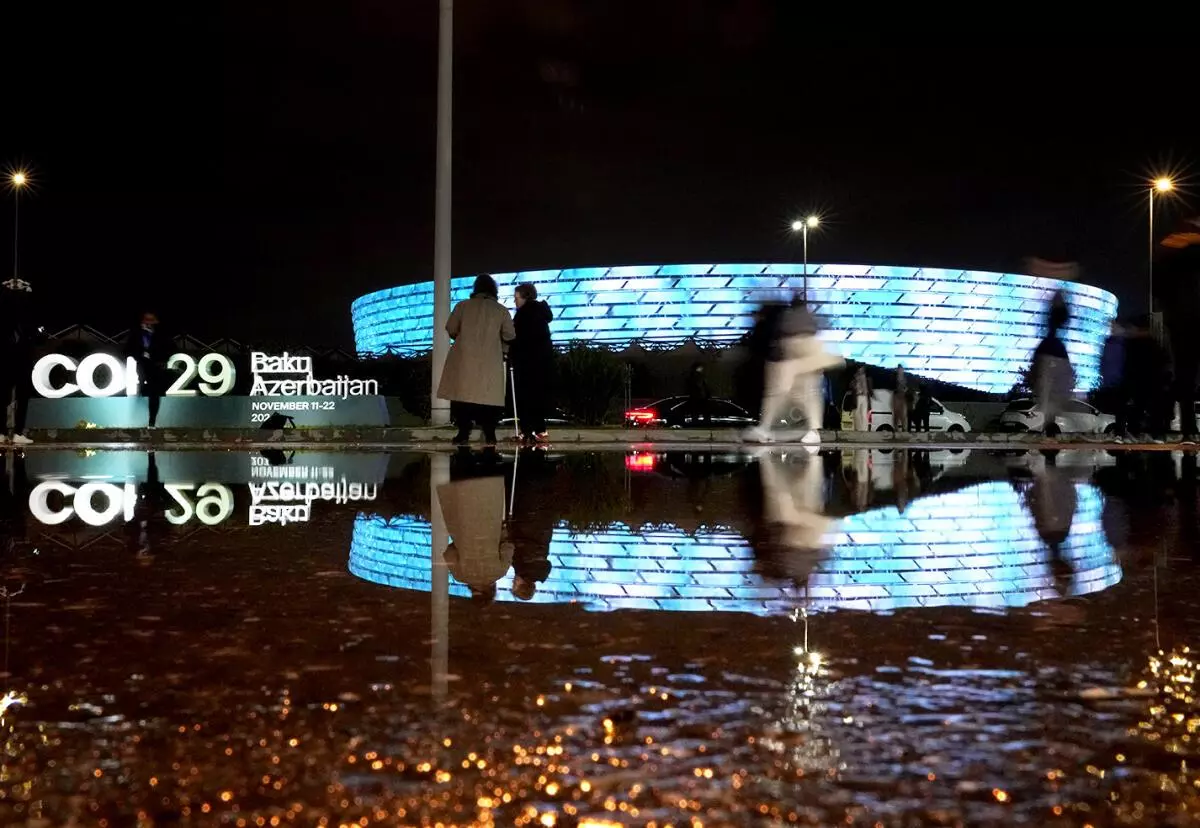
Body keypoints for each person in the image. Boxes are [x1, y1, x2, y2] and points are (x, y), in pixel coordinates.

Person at [742, 295, 842, 445]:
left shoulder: (788, 320)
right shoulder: (806, 320)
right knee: (810, 395)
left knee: (778, 393)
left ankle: (766, 428)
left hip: (792, 357)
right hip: (803, 357)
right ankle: (813, 431)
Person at [437, 274, 516, 446]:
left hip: (464, 358)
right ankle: (490, 434)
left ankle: (463, 433)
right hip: (490, 360)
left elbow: (451, 328)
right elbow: (510, 334)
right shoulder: (501, 310)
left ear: (476, 289)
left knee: (463, 397)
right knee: (489, 398)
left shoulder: (463, 306)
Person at [1155, 215, 1200, 441]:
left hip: (1180, 317)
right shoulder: (1188, 244)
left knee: (1185, 374)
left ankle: (1187, 429)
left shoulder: (1171, 245)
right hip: (1186, 315)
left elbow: (1159, 283)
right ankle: (1186, 427)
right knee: (1185, 375)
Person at [510, 282, 555, 444]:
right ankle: (541, 430)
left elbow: (517, 339)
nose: (515, 302)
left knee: (526, 397)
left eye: (516, 298)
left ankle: (527, 430)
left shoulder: (523, 315)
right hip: (542, 362)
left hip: (526, 362)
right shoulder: (541, 314)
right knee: (538, 396)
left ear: (525, 296)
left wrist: (511, 355)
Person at [0, 278, 42, 445]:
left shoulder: (27, 320)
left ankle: (18, 432)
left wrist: (28, 290)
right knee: (2, 395)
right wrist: (5, 289)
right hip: (6, 358)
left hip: (23, 358)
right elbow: (4, 308)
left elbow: (32, 312)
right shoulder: (5, 316)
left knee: (23, 396)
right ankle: (1, 432)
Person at [1030, 292, 1074, 437]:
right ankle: (1048, 434)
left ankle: (1048, 434)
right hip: (1051, 354)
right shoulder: (1052, 344)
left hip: (1051, 354)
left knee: (1049, 402)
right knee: (1049, 402)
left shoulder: (1052, 343)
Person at [124, 311, 171, 428]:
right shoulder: (136, 333)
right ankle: (140, 393)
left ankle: (152, 421)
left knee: (154, 392)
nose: (148, 323)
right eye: (146, 320)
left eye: (151, 321)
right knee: (143, 387)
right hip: (141, 365)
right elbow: (128, 348)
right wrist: (137, 356)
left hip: (155, 367)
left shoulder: (161, 335)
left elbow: (169, 348)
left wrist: (161, 360)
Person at [685, 362, 711, 426]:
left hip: (699, 398)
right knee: (698, 412)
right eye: (700, 368)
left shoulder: (698, 377)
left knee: (699, 413)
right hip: (698, 398)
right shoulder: (696, 377)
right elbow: (700, 386)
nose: (701, 369)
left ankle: (700, 422)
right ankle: (700, 423)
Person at [851, 366, 871, 431]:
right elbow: (852, 386)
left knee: (863, 413)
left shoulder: (865, 377)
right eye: (861, 369)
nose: (862, 370)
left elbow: (867, 388)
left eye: (863, 369)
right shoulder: (856, 377)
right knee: (858, 412)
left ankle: (864, 428)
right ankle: (859, 427)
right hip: (859, 396)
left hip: (864, 396)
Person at [892, 366, 909, 433]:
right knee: (896, 414)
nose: (900, 371)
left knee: (903, 414)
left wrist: (905, 389)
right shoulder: (894, 378)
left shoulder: (905, 378)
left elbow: (907, 387)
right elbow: (893, 387)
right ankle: (896, 429)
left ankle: (904, 429)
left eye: (901, 370)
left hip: (903, 397)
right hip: (896, 396)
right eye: (899, 370)